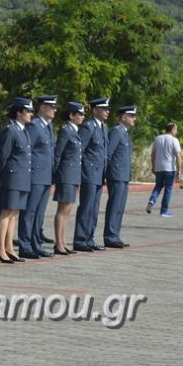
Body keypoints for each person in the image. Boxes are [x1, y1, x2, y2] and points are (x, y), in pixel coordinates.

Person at [0, 97, 33, 263]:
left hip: (22, 177)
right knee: (6, 212)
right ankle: (0, 249)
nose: (31, 114)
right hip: (12, 177)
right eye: (28, 111)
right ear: (18, 112)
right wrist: (0, 176)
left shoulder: (23, 130)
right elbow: (3, 156)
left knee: (14, 213)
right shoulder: (10, 130)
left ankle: (9, 247)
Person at [19, 95, 57, 259]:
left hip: (45, 176)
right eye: (51, 107)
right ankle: (25, 244)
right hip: (35, 175)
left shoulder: (48, 126)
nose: (54, 110)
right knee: (30, 212)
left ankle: (36, 243)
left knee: (39, 213)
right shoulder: (34, 126)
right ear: (42, 108)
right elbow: (28, 151)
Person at [73, 97, 110, 252]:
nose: (107, 112)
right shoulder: (88, 127)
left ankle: (89, 238)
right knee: (86, 207)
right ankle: (80, 240)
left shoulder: (103, 127)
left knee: (94, 209)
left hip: (99, 174)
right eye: (104, 109)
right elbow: (79, 149)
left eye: (108, 109)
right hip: (89, 173)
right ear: (95, 110)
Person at [53, 102, 85, 255]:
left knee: (68, 210)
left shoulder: (75, 131)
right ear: (71, 115)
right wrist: (55, 174)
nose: (82, 117)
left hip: (73, 175)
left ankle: (63, 242)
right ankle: (58, 243)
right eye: (79, 114)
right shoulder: (66, 131)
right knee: (63, 209)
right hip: (65, 174)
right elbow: (58, 154)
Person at [103, 105, 137, 248]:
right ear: (123, 117)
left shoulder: (125, 133)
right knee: (114, 205)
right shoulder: (116, 132)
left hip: (123, 176)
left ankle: (115, 234)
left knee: (120, 207)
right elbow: (108, 154)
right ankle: (110, 236)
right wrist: (107, 173)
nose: (134, 119)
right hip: (116, 175)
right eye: (131, 116)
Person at [147, 122, 182, 217]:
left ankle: (152, 200)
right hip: (169, 168)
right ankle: (164, 210)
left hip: (159, 167)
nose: (176, 131)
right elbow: (178, 156)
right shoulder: (174, 140)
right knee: (168, 189)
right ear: (172, 129)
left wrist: (153, 166)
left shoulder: (157, 139)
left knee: (158, 186)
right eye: (176, 129)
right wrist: (180, 169)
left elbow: (153, 154)